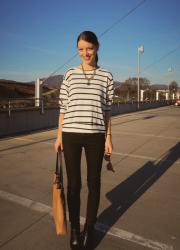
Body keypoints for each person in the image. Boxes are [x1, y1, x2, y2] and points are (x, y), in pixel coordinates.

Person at [54, 31, 114, 250]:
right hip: (70, 134)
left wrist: (108, 138)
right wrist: (58, 135)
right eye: (81, 49)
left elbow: (107, 111)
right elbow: (63, 108)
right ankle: (75, 232)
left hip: (96, 136)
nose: (85, 53)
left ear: (97, 47)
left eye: (89, 48)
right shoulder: (69, 74)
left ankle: (90, 228)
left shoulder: (106, 76)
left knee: (94, 183)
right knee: (74, 186)